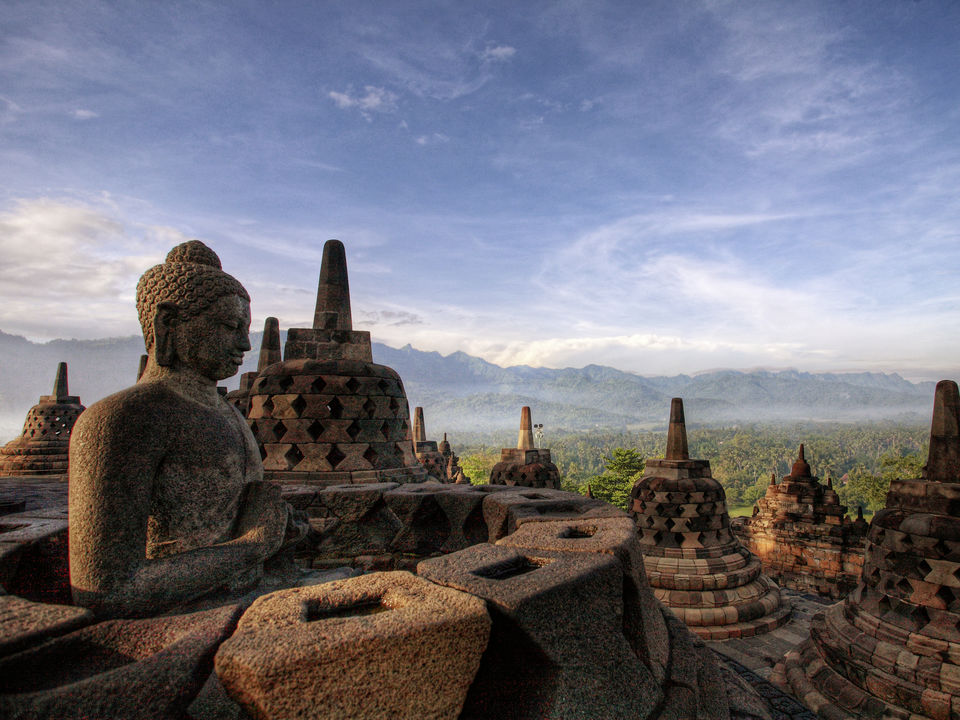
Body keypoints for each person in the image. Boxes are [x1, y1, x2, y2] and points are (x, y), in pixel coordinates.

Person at [69, 240, 301, 618]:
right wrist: (252, 546)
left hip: (256, 598)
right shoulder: (118, 421)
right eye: (230, 327)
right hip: (177, 628)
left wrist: (281, 531)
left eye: (246, 329)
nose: (244, 344)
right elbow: (105, 592)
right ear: (168, 323)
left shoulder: (230, 415)